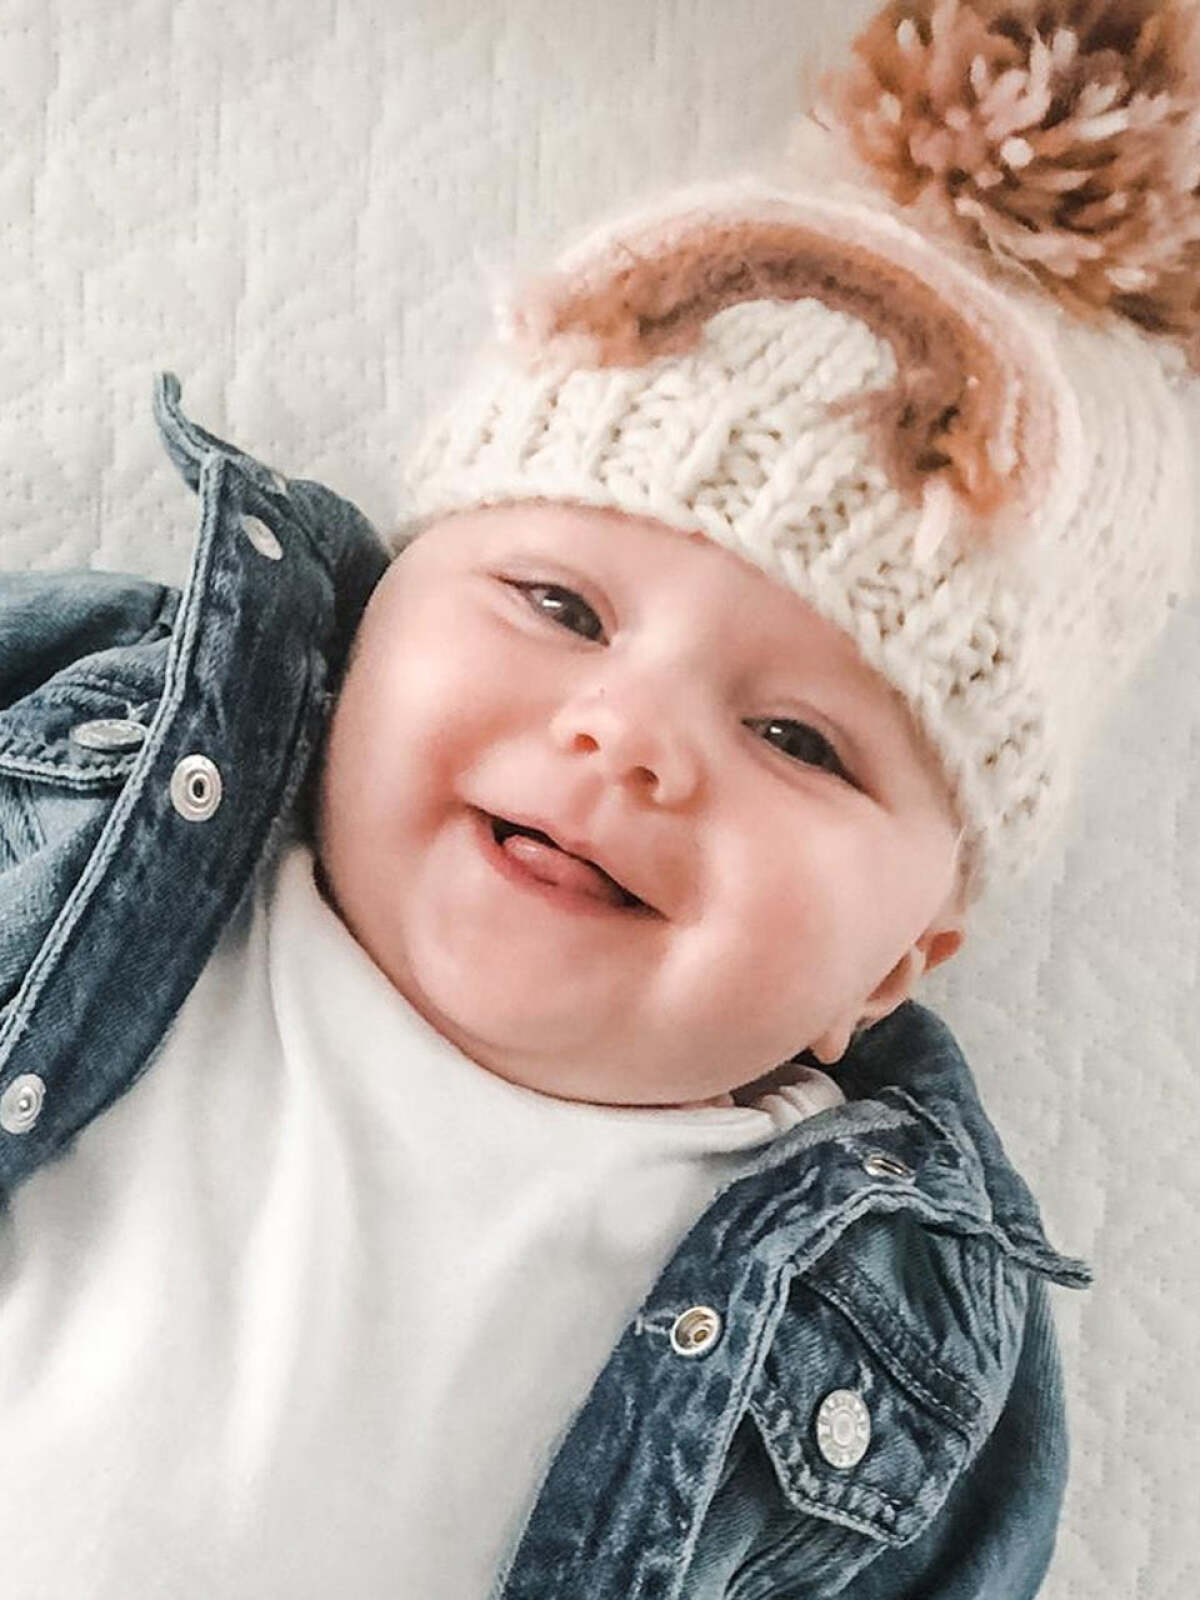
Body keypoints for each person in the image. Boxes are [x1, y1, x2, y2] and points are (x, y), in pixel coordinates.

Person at [0, 1, 1196, 1595]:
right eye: (558, 608)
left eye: (800, 741)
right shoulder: (103, 783)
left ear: (890, 969)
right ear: (368, 631)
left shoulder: (884, 1326)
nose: (628, 739)